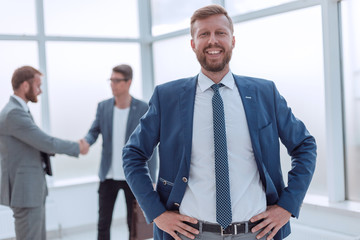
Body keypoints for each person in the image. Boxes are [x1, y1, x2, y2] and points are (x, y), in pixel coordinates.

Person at [123, 5, 316, 240]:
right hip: (189, 234)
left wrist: (288, 205)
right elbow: (133, 154)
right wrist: (157, 213)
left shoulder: (265, 93)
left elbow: (305, 145)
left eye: (220, 33)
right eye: (204, 34)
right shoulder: (168, 97)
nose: (212, 41)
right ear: (193, 44)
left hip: (255, 233)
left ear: (233, 41)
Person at [0, 66, 88, 240]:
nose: (40, 91)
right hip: (24, 190)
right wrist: (77, 147)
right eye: (37, 85)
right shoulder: (13, 113)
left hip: (30, 188)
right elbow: (45, 142)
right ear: (25, 85)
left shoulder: (19, 110)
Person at [82, 64, 157, 240]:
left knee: (134, 223)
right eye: (111, 80)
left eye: (117, 80)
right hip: (108, 175)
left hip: (134, 175)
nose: (112, 84)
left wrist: (152, 179)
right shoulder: (104, 107)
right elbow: (94, 131)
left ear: (128, 82)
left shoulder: (143, 108)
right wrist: (85, 142)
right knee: (103, 222)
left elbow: (151, 144)